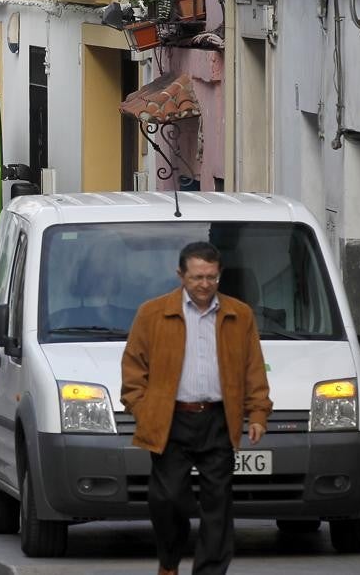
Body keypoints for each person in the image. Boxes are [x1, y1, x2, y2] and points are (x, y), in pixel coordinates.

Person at [120, 241, 272, 575]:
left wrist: (258, 413)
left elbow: (253, 369)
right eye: (197, 277)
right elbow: (133, 369)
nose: (205, 284)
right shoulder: (152, 313)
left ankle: (210, 570)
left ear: (220, 276)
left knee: (218, 504)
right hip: (170, 419)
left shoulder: (239, 314)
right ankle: (170, 560)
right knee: (167, 499)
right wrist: (144, 410)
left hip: (219, 419)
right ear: (181, 275)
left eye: (212, 277)